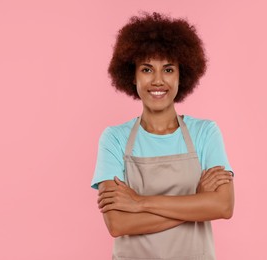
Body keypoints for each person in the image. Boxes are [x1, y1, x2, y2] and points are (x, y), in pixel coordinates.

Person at [91, 12, 235, 260]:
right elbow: (118, 224)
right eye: (147, 69)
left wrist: (139, 203)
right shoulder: (114, 138)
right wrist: (196, 203)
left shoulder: (205, 132)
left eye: (168, 69)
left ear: (181, 75)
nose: (158, 80)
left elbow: (223, 206)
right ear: (132, 75)